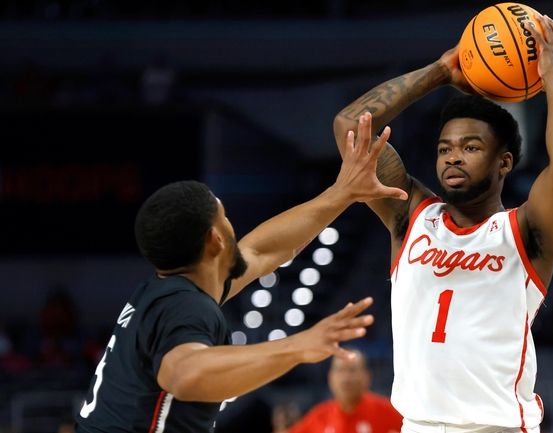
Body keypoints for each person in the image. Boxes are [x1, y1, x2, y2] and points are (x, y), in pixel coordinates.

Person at [332, 14, 553, 433]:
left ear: (503, 162)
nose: (453, 157)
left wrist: (552, 76)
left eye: (470, 147)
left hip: (496, 427)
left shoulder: (525, 231)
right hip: (416, 425)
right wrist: (439, 72)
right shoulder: (410, 215)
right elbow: (349, 126)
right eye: (444, 148)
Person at [75, 115, 408, 433]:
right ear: (215, 239)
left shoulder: (167, 289)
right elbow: (183, 373)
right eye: (224, 216)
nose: (232, 225)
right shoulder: (186, 308)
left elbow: (265, 250)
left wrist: (342, 193)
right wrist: (299, 346)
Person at [287, 349, 402, 433]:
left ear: (367, 376)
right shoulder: (318, 416)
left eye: (352, 370)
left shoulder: (389, 411)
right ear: (330, 377)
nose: (346, 378)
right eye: (340, 370)